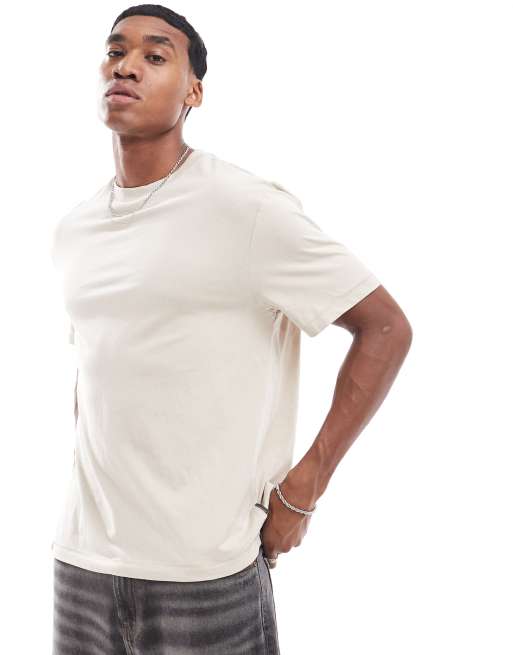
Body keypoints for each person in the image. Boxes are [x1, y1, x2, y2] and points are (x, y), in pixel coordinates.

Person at [50, 5, 413, 654]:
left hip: (204, 572)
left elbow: (384, 327)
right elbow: (101, 372)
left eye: (155, 56)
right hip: (82, 564)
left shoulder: (244, 209)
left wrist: (304, 489)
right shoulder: (76, 228)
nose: (126, 67)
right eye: (115, 51)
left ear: (192, 93)